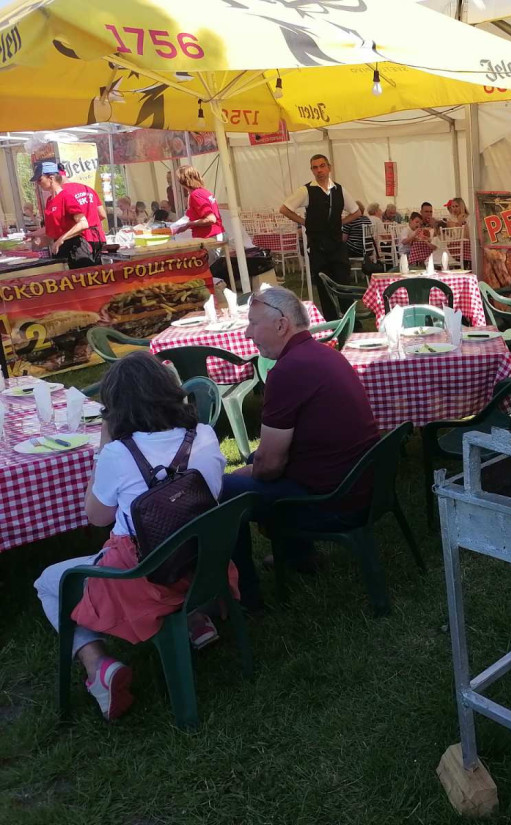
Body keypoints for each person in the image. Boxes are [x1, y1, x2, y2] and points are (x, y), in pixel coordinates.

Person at [34, 352, 230, 720]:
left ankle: (97, 666)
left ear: (115, 408)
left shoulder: (118, 454)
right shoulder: (203, 434)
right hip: (204, 562)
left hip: (144, 578)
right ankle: (192, 620)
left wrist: (103, 447)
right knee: (171, 539)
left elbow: (97, 517)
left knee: (48, 581)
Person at [220, 287, 381, 610]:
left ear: (281, 325)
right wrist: (254, 466)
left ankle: (244, 596)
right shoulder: (325, 353)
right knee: (252, 460)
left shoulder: (288, 371)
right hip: (364, 486)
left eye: (253, 324)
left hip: (334, 502)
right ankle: (298, 554)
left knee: (223, 490)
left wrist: (247, 473)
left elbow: (270, 466)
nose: (248, 333)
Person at [279, 154, 362, 290]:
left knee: (344, 284)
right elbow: (284, 209)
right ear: (312, 170)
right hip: (318, 247)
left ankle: (345, 304)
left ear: (329, 168)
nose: (319, 170)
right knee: (324, 287)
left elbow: (357, 212)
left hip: (337, 245)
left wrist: (340, 222)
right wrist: (305, 222)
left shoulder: (340, 190)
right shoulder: (306, 190)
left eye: (322, 166)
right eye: (315, 167)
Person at [30, 160, 106, 269]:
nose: (38, 183)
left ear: (51, 178)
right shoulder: (50, 201)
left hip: (76, 249)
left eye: (40, 179)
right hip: (61, 250)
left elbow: (83, 223)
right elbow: (52, 230)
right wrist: (34, 237)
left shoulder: (66, 196)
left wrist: (62, 239)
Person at [171, 165, 224, 240]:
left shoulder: (196, 195)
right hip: (214, 235)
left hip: (210, 237)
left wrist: (189, 224)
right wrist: (185, 226)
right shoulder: (204, 192)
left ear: (182, 180)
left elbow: (211, 219)